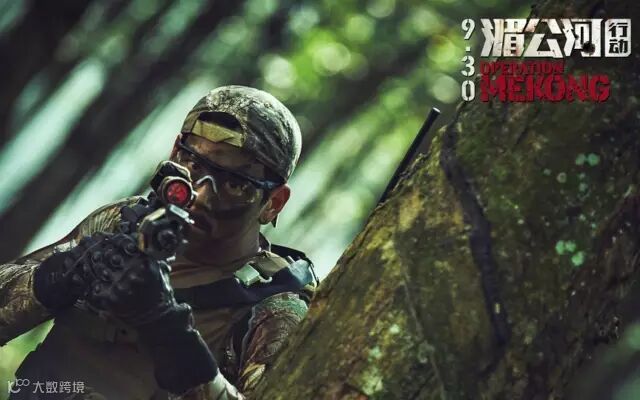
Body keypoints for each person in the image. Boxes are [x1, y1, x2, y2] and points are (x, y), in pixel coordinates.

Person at [0, 85, 318, 399]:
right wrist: (53, 279)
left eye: (235, 184)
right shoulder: (120, 222)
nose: (201, 195)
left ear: (273, 202)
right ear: (175, 152)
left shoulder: (274, 306)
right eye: (193, 164)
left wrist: (168, 331)